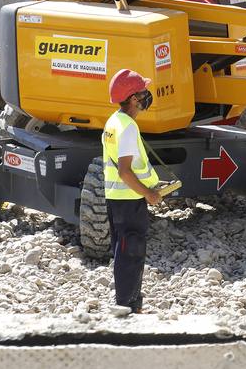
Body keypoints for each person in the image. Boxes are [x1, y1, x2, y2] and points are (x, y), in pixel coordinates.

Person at [103, 68, 163, 313]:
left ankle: (130, 303)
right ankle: (126, 304)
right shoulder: (127, 127)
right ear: (133, 98)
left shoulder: (113, 121)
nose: (147, 95)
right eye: (143, 92)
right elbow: (125, 171)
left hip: (116, 197)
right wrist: (148, 193)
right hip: (129, 198)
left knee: (124, 249)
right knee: (132, 251)